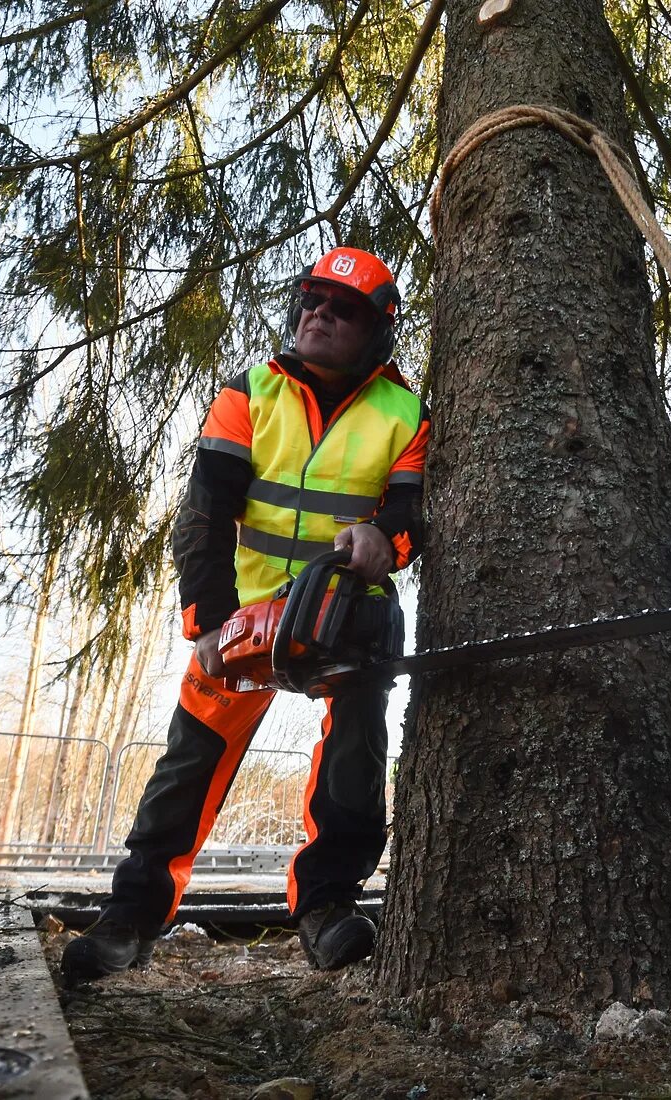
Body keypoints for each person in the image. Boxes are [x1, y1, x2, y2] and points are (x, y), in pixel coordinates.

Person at [61, 246, 429, 984]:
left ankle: (327, 906)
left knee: (354, 760)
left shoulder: (406, 412)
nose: (321, 314)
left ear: (377, 329)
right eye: (313, 301)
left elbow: (411, 510)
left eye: (344, 309)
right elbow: (205, 513)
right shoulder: (249, 392)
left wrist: (384, 541)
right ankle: (133, 914)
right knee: (188, 763)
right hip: (246, 616)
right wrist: (207, 624)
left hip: (346, 614)